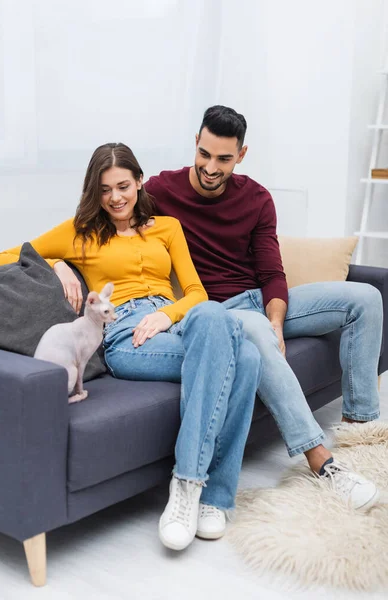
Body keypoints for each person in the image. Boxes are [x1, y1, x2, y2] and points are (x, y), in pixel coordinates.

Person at [0, 142, 262, 551]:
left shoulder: (167, 228)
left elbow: (196, 293)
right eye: (104, 189)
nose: (115, 197)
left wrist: (166, 316)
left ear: (139, 181)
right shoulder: (78, 232)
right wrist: (57, 263)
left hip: (172, 321)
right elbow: (2, 257)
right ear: (94, 193)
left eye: (122, 185)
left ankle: (194, 489)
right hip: (125, 335)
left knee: (216, 323)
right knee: (247, 356)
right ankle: (206, 495)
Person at [142, 105, 383, 511]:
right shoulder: (160, 192)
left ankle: (360, 426)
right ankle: (320, 460)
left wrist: (276, 321)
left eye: (223, 159)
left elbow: (272, 271)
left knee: (366, 297)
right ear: (195, 145)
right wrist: (59, 263)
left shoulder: (256, 198)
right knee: (253, 329)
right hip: (216, 314)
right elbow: (99, 222)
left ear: (242, 154)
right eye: (204, 154)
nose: (211, 168)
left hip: (257, 301)